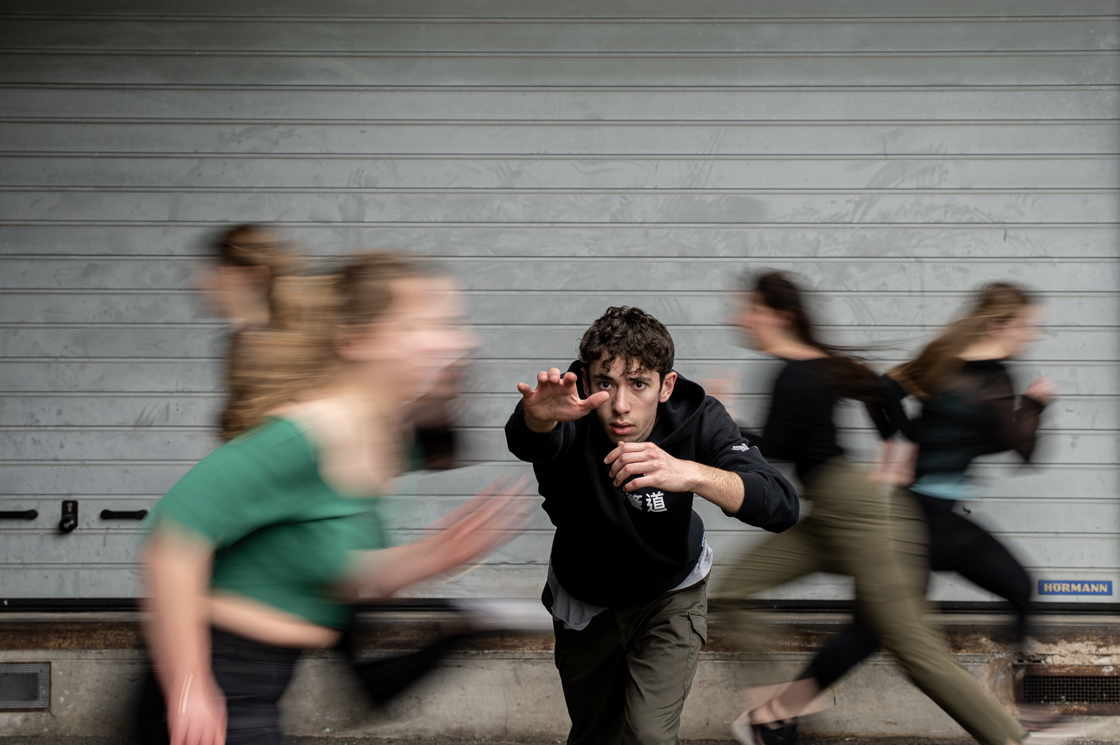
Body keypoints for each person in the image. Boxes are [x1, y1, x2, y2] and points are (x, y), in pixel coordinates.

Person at [135, 253, 528, 745]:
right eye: (425, 325)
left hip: (263, 695)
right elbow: (172, 538)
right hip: (210, 698)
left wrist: (435, 555)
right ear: (356, 340)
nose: (462, 340)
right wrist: (190, 687)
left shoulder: (384, 444)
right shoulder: (302, 437)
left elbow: (335, 572)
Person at [713, 272, 1030, 745]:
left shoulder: (796, 374)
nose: (739, 318)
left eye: (748, 308)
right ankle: (777, 706)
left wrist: (728, 418)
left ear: (779, 315)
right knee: (734, 590)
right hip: (829, 514)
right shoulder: (816, 365)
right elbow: (883, 390)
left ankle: (1011, 738)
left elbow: (776, 446)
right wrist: (894, 449)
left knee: (913, 649)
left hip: (861, 517)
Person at [504, 306, 799, 745]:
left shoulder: (698, 416)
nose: (620, 406)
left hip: (670, 594)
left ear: (666, 386)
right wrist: (538, 418)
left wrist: (691, 473)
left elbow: (780, 504)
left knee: (649, 736)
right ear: (586, 381)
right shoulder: (568, 406)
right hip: (587, 599)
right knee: (595, 736)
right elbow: (531, 440)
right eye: (606, 383)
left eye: (638, 384)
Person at [795, 281, 1063, 737]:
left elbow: (884, 389)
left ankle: (776, 715)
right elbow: (1023, 451)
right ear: (1002, 323)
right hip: (925, 521)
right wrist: (1035, 405)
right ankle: (1025, 710)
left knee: (871, 627)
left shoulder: (947, 357)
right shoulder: (995, 380)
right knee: (1012, 590)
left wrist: (901, 443)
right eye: (1027, 326)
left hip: (923, 514)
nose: (1031, 335)